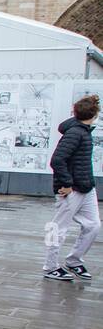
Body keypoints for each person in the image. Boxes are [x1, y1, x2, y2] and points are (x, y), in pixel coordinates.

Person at [44, 94, 99, 282]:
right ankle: (50, 267)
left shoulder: (82, 129)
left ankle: (74, 260)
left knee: (93, 225)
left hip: (86, 187)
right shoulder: (75, 132)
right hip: (70, 190)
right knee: (57, 229)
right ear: (95, 114)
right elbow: (57, 160)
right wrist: (67, 184)